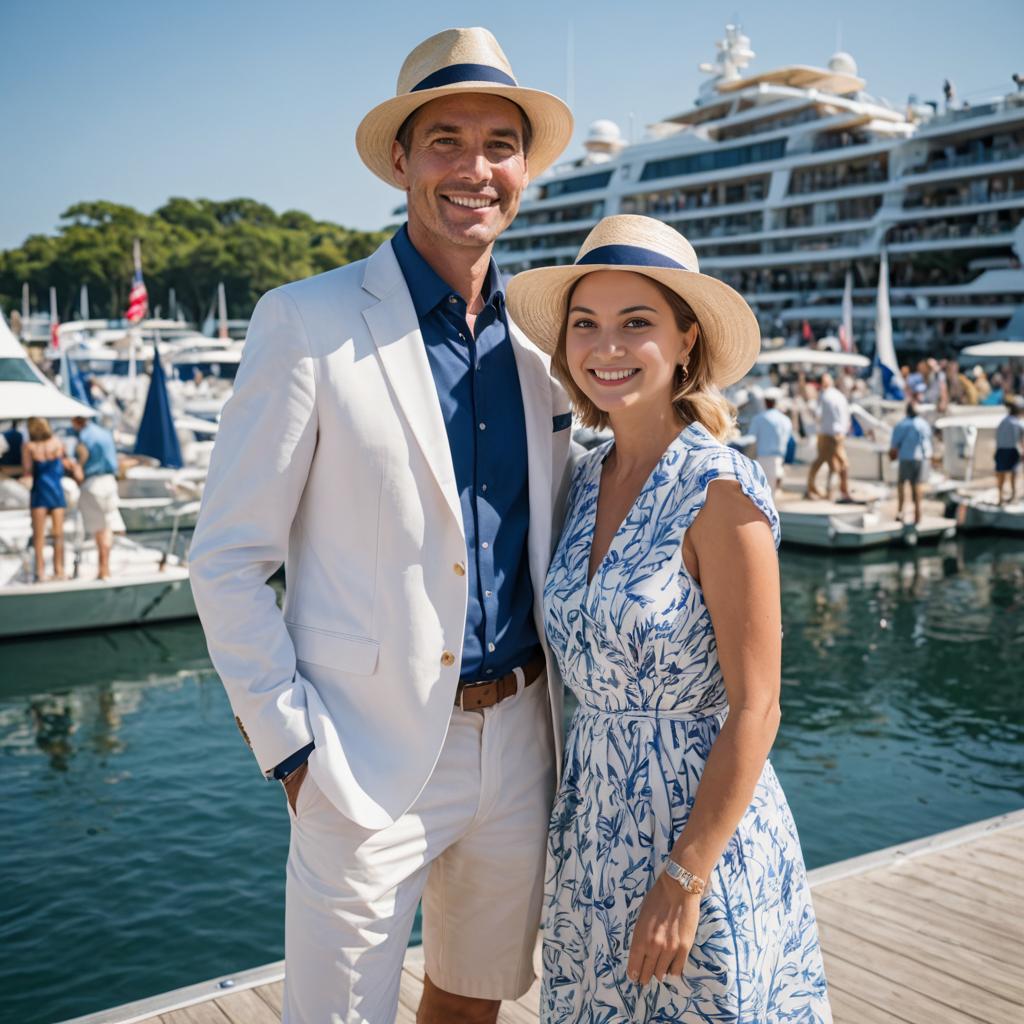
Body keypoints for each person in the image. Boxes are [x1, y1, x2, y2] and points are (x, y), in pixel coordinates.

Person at [188, 27, 574, 1024]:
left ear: (523, 168)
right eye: (444, 139)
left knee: (472, 1002)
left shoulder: (548, 342)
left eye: (499, 143)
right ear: (399, 160)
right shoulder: (304, 321)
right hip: (356, 760)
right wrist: (290, 750)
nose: (474, 168)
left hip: (524, 736)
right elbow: (227, 559)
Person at [507, 215, 831, 1022]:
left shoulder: (721, 488)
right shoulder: (579, 480)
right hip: (592, 834)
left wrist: (685, 877)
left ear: (687, 341)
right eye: (586, 325)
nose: (605, 347)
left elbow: (758, 707)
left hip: (697, 836)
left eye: (635, 324)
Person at [21, 417, 79, 581]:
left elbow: (27, 471)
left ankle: (40, 572)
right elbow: (66, 463)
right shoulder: (58, 443)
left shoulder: (29, 447)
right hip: (56, 490)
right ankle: (59, 569)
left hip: (40, 491)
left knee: (38, 536)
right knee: (58, 534)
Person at [71, 416, 125, 579]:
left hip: (93, 484)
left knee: (99, 529)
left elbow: (83, 456)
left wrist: (77, 467)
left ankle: (103, 569)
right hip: (109, 482)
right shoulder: (104, 433)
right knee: (107, 526)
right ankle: (105, 568)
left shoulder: (84, 437)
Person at [805, 372, 854, 501]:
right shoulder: (839, 396)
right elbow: (846, 414)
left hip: (826, 434)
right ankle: (841, 491)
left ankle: (816, 489)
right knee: (839, 464)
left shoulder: (824, 396)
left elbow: (817, 414)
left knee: (825, 463)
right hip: (838, 434)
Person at [889, 402, 933, 525]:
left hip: (906, 458)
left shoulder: (901, 425)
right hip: (920, 459)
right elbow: (927, 442)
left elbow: (894, 445)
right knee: (917, 486)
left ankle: (900, 512)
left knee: (902, 484)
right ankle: (918, 515)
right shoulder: (923, 424)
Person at [749, 390, 793, 494]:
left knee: (761, 489)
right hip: (778, 457)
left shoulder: (758, 418)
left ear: (765, 402)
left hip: (762, 457)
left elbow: (751, 438)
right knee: (773, 490)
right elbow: (787, 438)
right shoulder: (785, 419)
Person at [995, 396, 1024, 504]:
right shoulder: (1018, 423)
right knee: (1013, 474)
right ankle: (1013, 496)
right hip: (1012, 450)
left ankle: (1000, 498)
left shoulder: (1003, 421)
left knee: (1001, 474)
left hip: (1001, 450)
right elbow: (1022, 439)